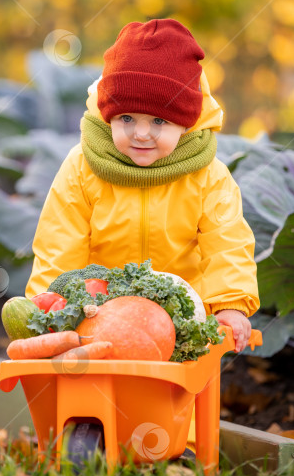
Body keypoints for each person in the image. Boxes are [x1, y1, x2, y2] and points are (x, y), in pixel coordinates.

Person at [25, 18, 259, 352]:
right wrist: (49, 306)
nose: (141, 133)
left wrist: (231, 305)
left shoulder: (208, 176)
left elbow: (227, 244)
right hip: (97, 315)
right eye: (127, 118)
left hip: (180, 320)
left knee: (174, 400)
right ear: (109, 116)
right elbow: (58, 245)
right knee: (98, 397)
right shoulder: (83, 168)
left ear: (186, 122)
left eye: (159, 121)